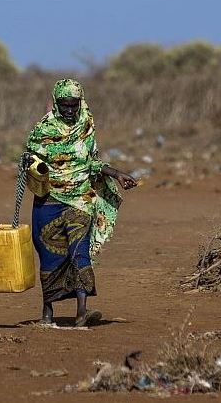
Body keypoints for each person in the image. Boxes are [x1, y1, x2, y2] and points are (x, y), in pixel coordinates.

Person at [25, 79, 137, 327]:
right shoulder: (43, 129)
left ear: (80, 102)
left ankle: (81, 311)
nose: (69, 110)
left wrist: (116, 173)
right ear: (55, 103)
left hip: (81, 201)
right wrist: (31, 164)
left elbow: (92, 162)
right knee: (49, 256)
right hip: (48, 201)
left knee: (79, 253)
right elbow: (30, 160)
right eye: (64, 105)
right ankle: (47, 314)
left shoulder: (86, 125)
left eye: (73, 105)